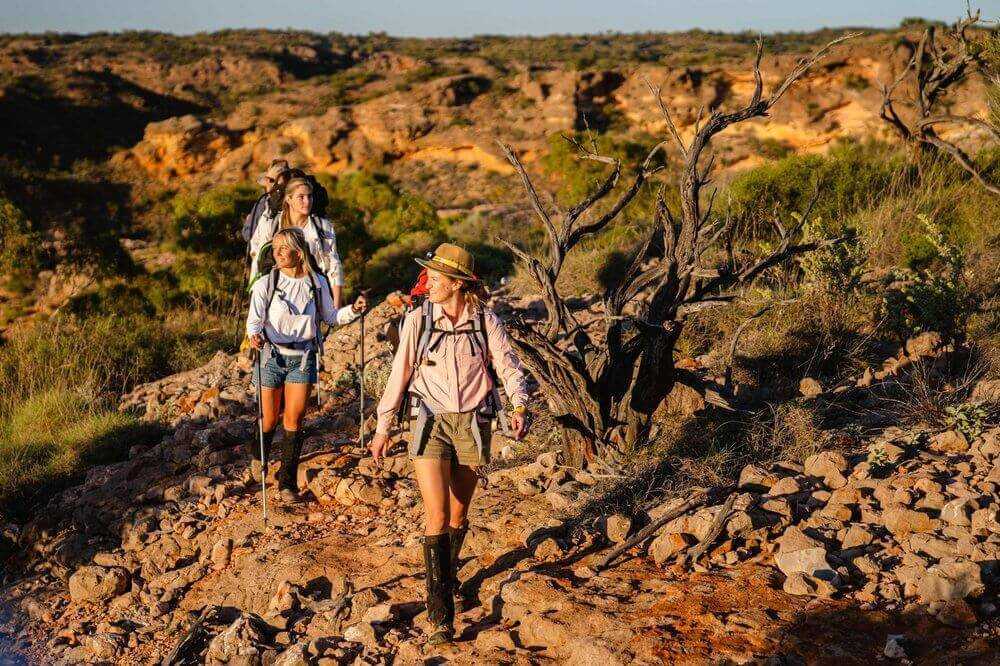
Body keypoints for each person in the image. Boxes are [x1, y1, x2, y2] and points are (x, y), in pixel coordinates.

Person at [369, 243, 529, 645]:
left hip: (475, 422)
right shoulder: (418, 319)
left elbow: (507, 366)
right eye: (431, 276)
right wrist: (383, 427)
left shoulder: (485, 321)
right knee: (436, 515)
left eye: (438, 278)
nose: (430, 282)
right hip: (429, 420)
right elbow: (398, 374)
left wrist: (520, 404)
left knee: (459, 515)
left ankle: (448, 573)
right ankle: (441, 611)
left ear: (458, 284)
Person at [246, 227, 366, 502]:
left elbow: (331, 317)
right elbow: (254, 318)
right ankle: (258, 456)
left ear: (298, 253)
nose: (276, 253)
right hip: (271, 355)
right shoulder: (267, 282)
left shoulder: (317, 282)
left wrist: (355, 310)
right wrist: (254, 334)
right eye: (274, 248)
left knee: (295, 418)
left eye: (282, 249)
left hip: (303, 357)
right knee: (269, 418)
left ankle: (287, 482)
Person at [248, 174, 345, 310]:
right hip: (277, 294)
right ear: (289, 199)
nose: (307, 201)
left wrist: (336, 306)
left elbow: (334, 265)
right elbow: (259, 259)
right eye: (301, 197)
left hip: (310, 293)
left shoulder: (323, 227)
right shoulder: (271, 224)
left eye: (309, 196)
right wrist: (256, 303)